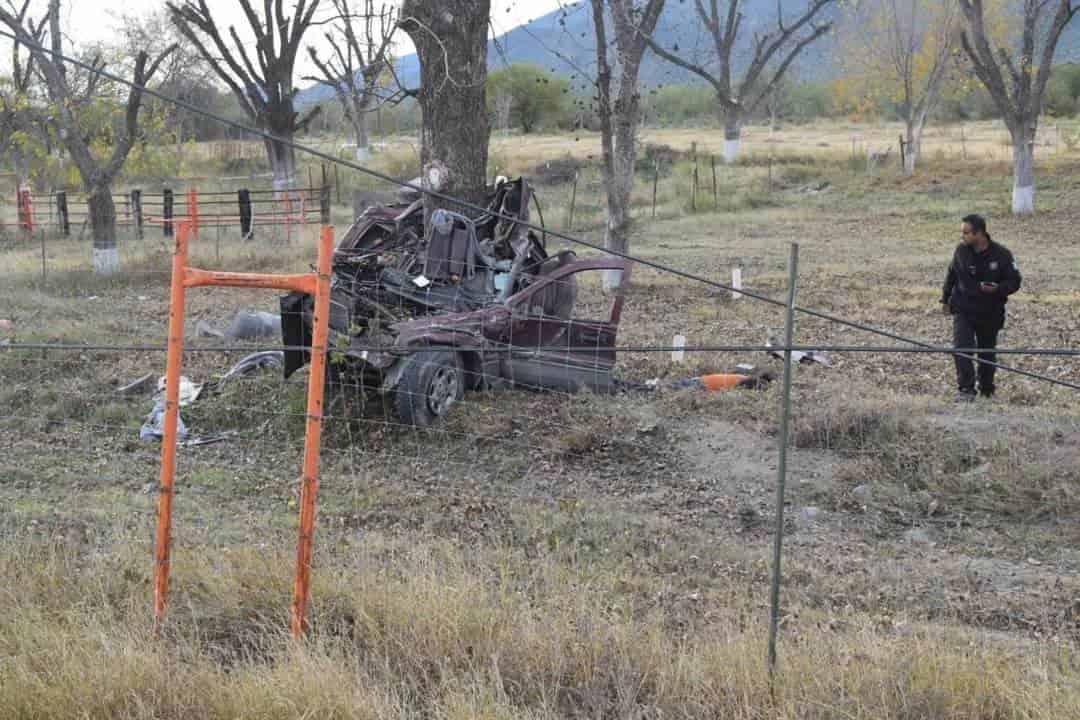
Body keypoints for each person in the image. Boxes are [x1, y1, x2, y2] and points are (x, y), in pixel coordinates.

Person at [941, 214, 1022, 401]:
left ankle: (986, 389)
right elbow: (952, 274)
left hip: (990, 312)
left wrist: (998, 289)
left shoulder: (1002, 255)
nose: (962, 236)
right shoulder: (961, 251)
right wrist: (945, 298)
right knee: (961, 348)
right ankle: (965, 390)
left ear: (980, 233)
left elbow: (1015, 281)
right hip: (964, 309)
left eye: (966, 233)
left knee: (987, 352)